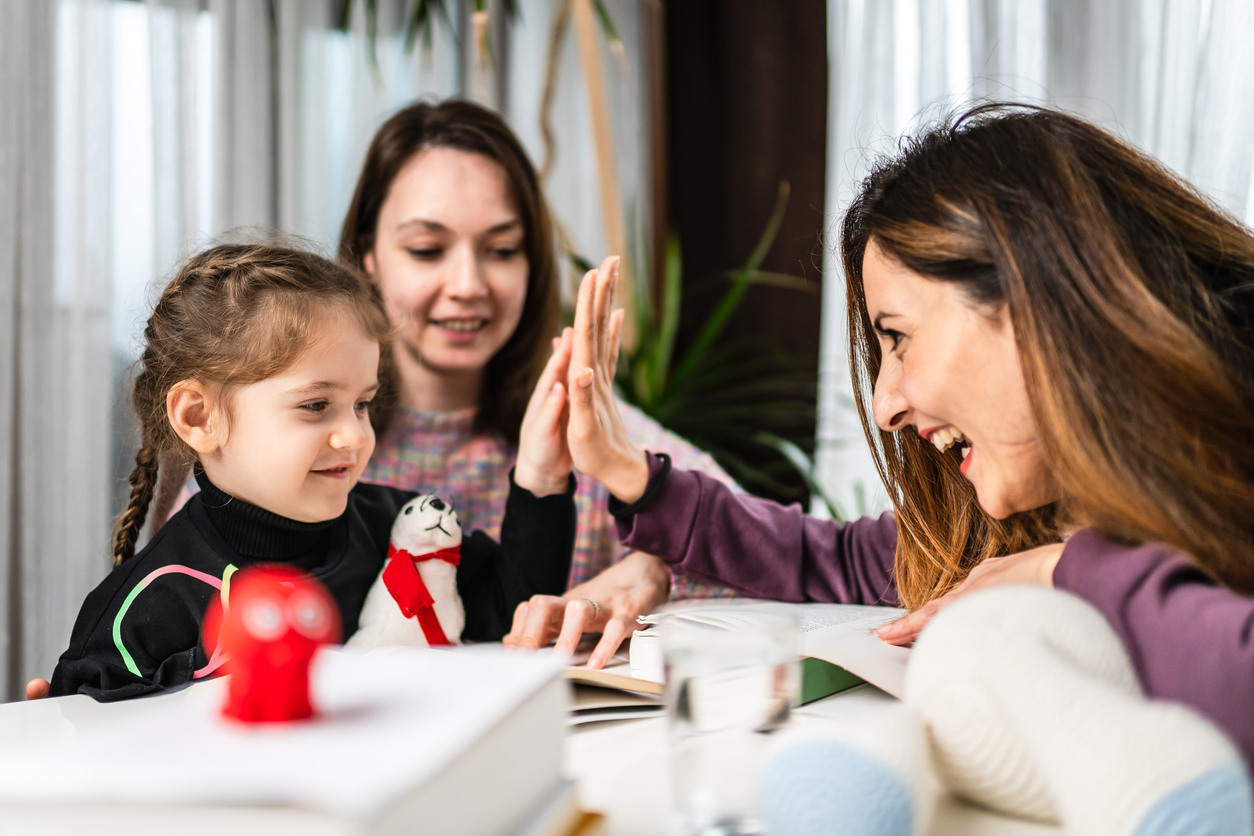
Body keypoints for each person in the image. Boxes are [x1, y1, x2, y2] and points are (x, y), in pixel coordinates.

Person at [542, 104, 1254, 767]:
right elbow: (834, 560)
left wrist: (1065, 568)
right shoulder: (1036, 508)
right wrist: (632, 471)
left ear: (1041, 298)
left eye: (899, 338)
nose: (884, 406)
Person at [47, 243, 577, 701]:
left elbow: (515, 613)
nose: (355, 435)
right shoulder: (146, 606)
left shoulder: (398, 528)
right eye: (316, 405)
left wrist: (542, 477)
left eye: (363, 404)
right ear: (198, 417)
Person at [337, 100, 737, 668]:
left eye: (501, 250)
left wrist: (656, 569)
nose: (469, 284)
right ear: (368, 256)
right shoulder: (300, 432)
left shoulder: (579, 432)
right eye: (427, 250)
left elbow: (759, 547)